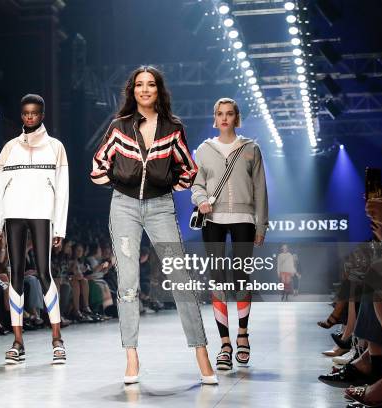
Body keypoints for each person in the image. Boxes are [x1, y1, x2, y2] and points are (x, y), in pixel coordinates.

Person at [90, 65, 216, 385]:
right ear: (132, 91)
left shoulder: (173, 128)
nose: (145, 90)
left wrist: (167, 185)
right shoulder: (119, 126)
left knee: (180, 279)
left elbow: (189, 170)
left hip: (161, 208)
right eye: (139, 85)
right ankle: (131, 357)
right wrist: (122, 182)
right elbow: (97, 167)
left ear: (159, 90)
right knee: (128, 283)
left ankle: (202, 354)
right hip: (124, 208)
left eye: (151, 85)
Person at [0, 94, 69, 364]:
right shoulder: (10, 147)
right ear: (22, 114)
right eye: (25, 113)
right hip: (14, 214)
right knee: (16, 275)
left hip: (42, 215)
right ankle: (18, 341)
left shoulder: (55, 147)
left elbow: (63, 188)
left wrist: (60, 226)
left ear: (42, 114)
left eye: (34, 113)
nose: (29, 117)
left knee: (45, 273)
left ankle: (57, 340)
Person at [191, 97, 268, 371]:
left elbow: (260, 189)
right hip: (213, 218)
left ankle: (243, 335)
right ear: (215, 118)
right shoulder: (204, 150)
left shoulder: (251, 149)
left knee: (242, 276)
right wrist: (200, 199)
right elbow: (196, 184)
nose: (224, 118)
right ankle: (225, 343)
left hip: (244, 218)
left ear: (237, 117)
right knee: (217, 279)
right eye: (220, 113)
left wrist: (262, 225)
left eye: (229, 114)